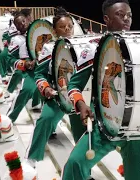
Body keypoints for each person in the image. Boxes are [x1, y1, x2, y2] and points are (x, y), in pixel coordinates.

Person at [62, 0, 140, 179]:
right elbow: (73, 85)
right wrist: (80, 103)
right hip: (103, 122)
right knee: (75, 164)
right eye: (120, 15)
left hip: (136, 126)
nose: (126, 19)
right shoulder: (93, 47)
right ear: (106, 19)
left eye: (129, 15)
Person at [24, 7, 86, 173]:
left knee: (84, 137)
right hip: (58, 96)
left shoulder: (84, 45)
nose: (67, 30)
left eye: (70, 26)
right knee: (45, 121)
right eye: (62, 27)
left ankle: (82, 172)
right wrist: (46, 90)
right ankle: (30, 159)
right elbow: (39, 74)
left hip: (79, 100)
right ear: (55, 30)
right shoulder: (49, 48)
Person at [6, 12, 42, 123]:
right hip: (29, 69)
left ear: (27, 20)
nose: (22, 24)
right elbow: (10, 59)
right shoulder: (16, 39)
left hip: (43, 65)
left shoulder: (39, 32)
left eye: (23, 21)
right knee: (26, 90)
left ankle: (48, 125)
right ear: (16, 27)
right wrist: (25, 64)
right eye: (19, 23)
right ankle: (9, 119)